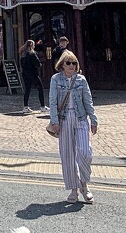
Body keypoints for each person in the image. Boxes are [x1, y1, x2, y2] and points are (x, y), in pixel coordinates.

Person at [48, 49, 97, 203]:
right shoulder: (56, 79)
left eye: (74, 63)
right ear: (62, 64)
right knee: (68, 155)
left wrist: (94, 120)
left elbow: (88, 100)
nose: (71, 65)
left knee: (85, 152)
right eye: (68, 63)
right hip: (63, 119)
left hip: (80, 117)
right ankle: (74, 190)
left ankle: (84, 184)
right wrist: (54, 121)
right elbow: (53, 101)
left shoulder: (81, 80)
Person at [19, 39, 46, 113]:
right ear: (32, 45)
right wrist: (39, 65)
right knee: (40, 88)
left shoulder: (23, 54)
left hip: (25, 74)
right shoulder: (32, 54)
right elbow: (37, 64)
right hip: (33, 74)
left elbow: (22, 65)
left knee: (27, 90)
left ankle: (25, 106)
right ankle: (43, 106)